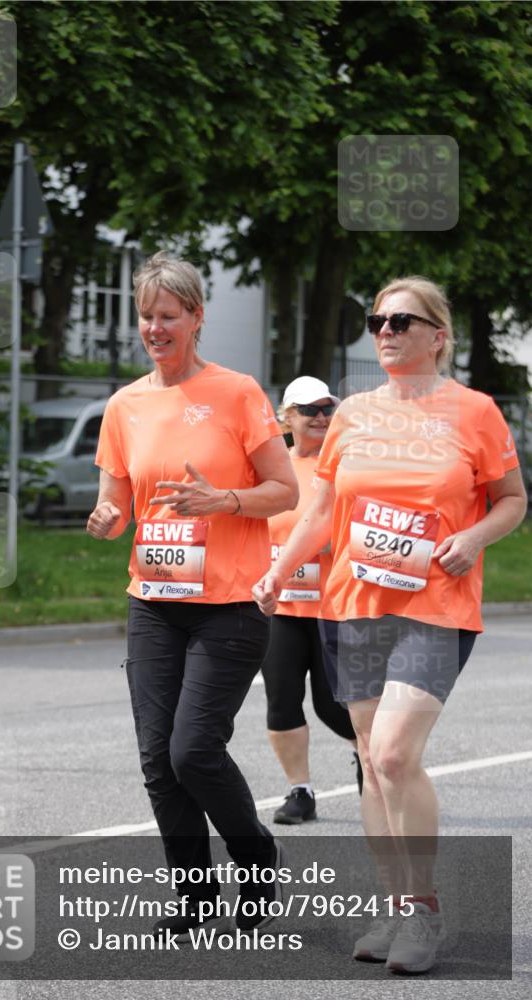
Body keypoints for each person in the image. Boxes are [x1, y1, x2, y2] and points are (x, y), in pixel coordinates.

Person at [253, 276, 526, 974]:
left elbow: (510, 500)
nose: (385, 331)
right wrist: (280, 571)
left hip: (436, 605)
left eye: (402, 321)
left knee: (398, 754)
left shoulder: (472, 411)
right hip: (353, 604)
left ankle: (424, 911)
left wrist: (474, 539)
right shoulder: (352, 415)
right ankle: (395, 906)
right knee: (373, 766)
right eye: (376, 320)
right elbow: (321, 511)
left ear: (437, 335)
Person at [86, 252, 298, 939]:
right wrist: (106, 518)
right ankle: (195, 894)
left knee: (192, 751)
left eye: (167, 316)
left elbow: (285, 490)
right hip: (153, 602)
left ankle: (255, 856)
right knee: (156, 759)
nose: (154, 327)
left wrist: (224, 498)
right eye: (146, 316)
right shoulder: (125, 404)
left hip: (230, 608)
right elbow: (118, 500)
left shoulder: (236, 393)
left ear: (196, 318)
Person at [261, 376, 363, 826]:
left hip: (333, 607)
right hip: (279, 609)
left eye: (327, 408)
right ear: (287, 418)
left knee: (330, 704)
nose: (321, 417)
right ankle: (299, 791)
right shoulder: (271, 470)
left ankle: (370, 751)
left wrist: (331, 542)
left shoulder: (344, 465)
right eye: (309, 410)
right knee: (282, 702)